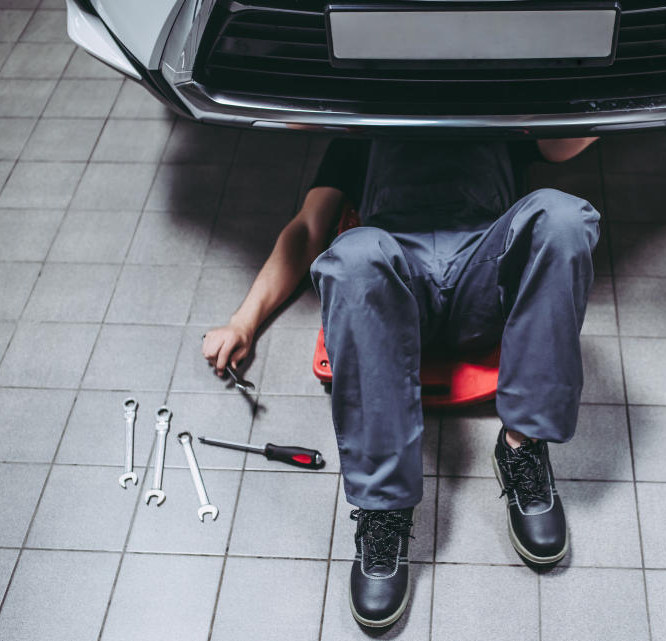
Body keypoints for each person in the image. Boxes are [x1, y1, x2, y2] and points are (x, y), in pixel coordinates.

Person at [203, 135, 600, 628]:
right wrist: (244, 320)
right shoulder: (362, 123)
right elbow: (308, 229)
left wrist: (622, 88)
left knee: (564, 217)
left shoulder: (497, 93)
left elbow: (562, 145)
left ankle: (521, 447)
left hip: (484, 284)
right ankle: (383, 510)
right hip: (397, 293)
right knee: (352, 253)